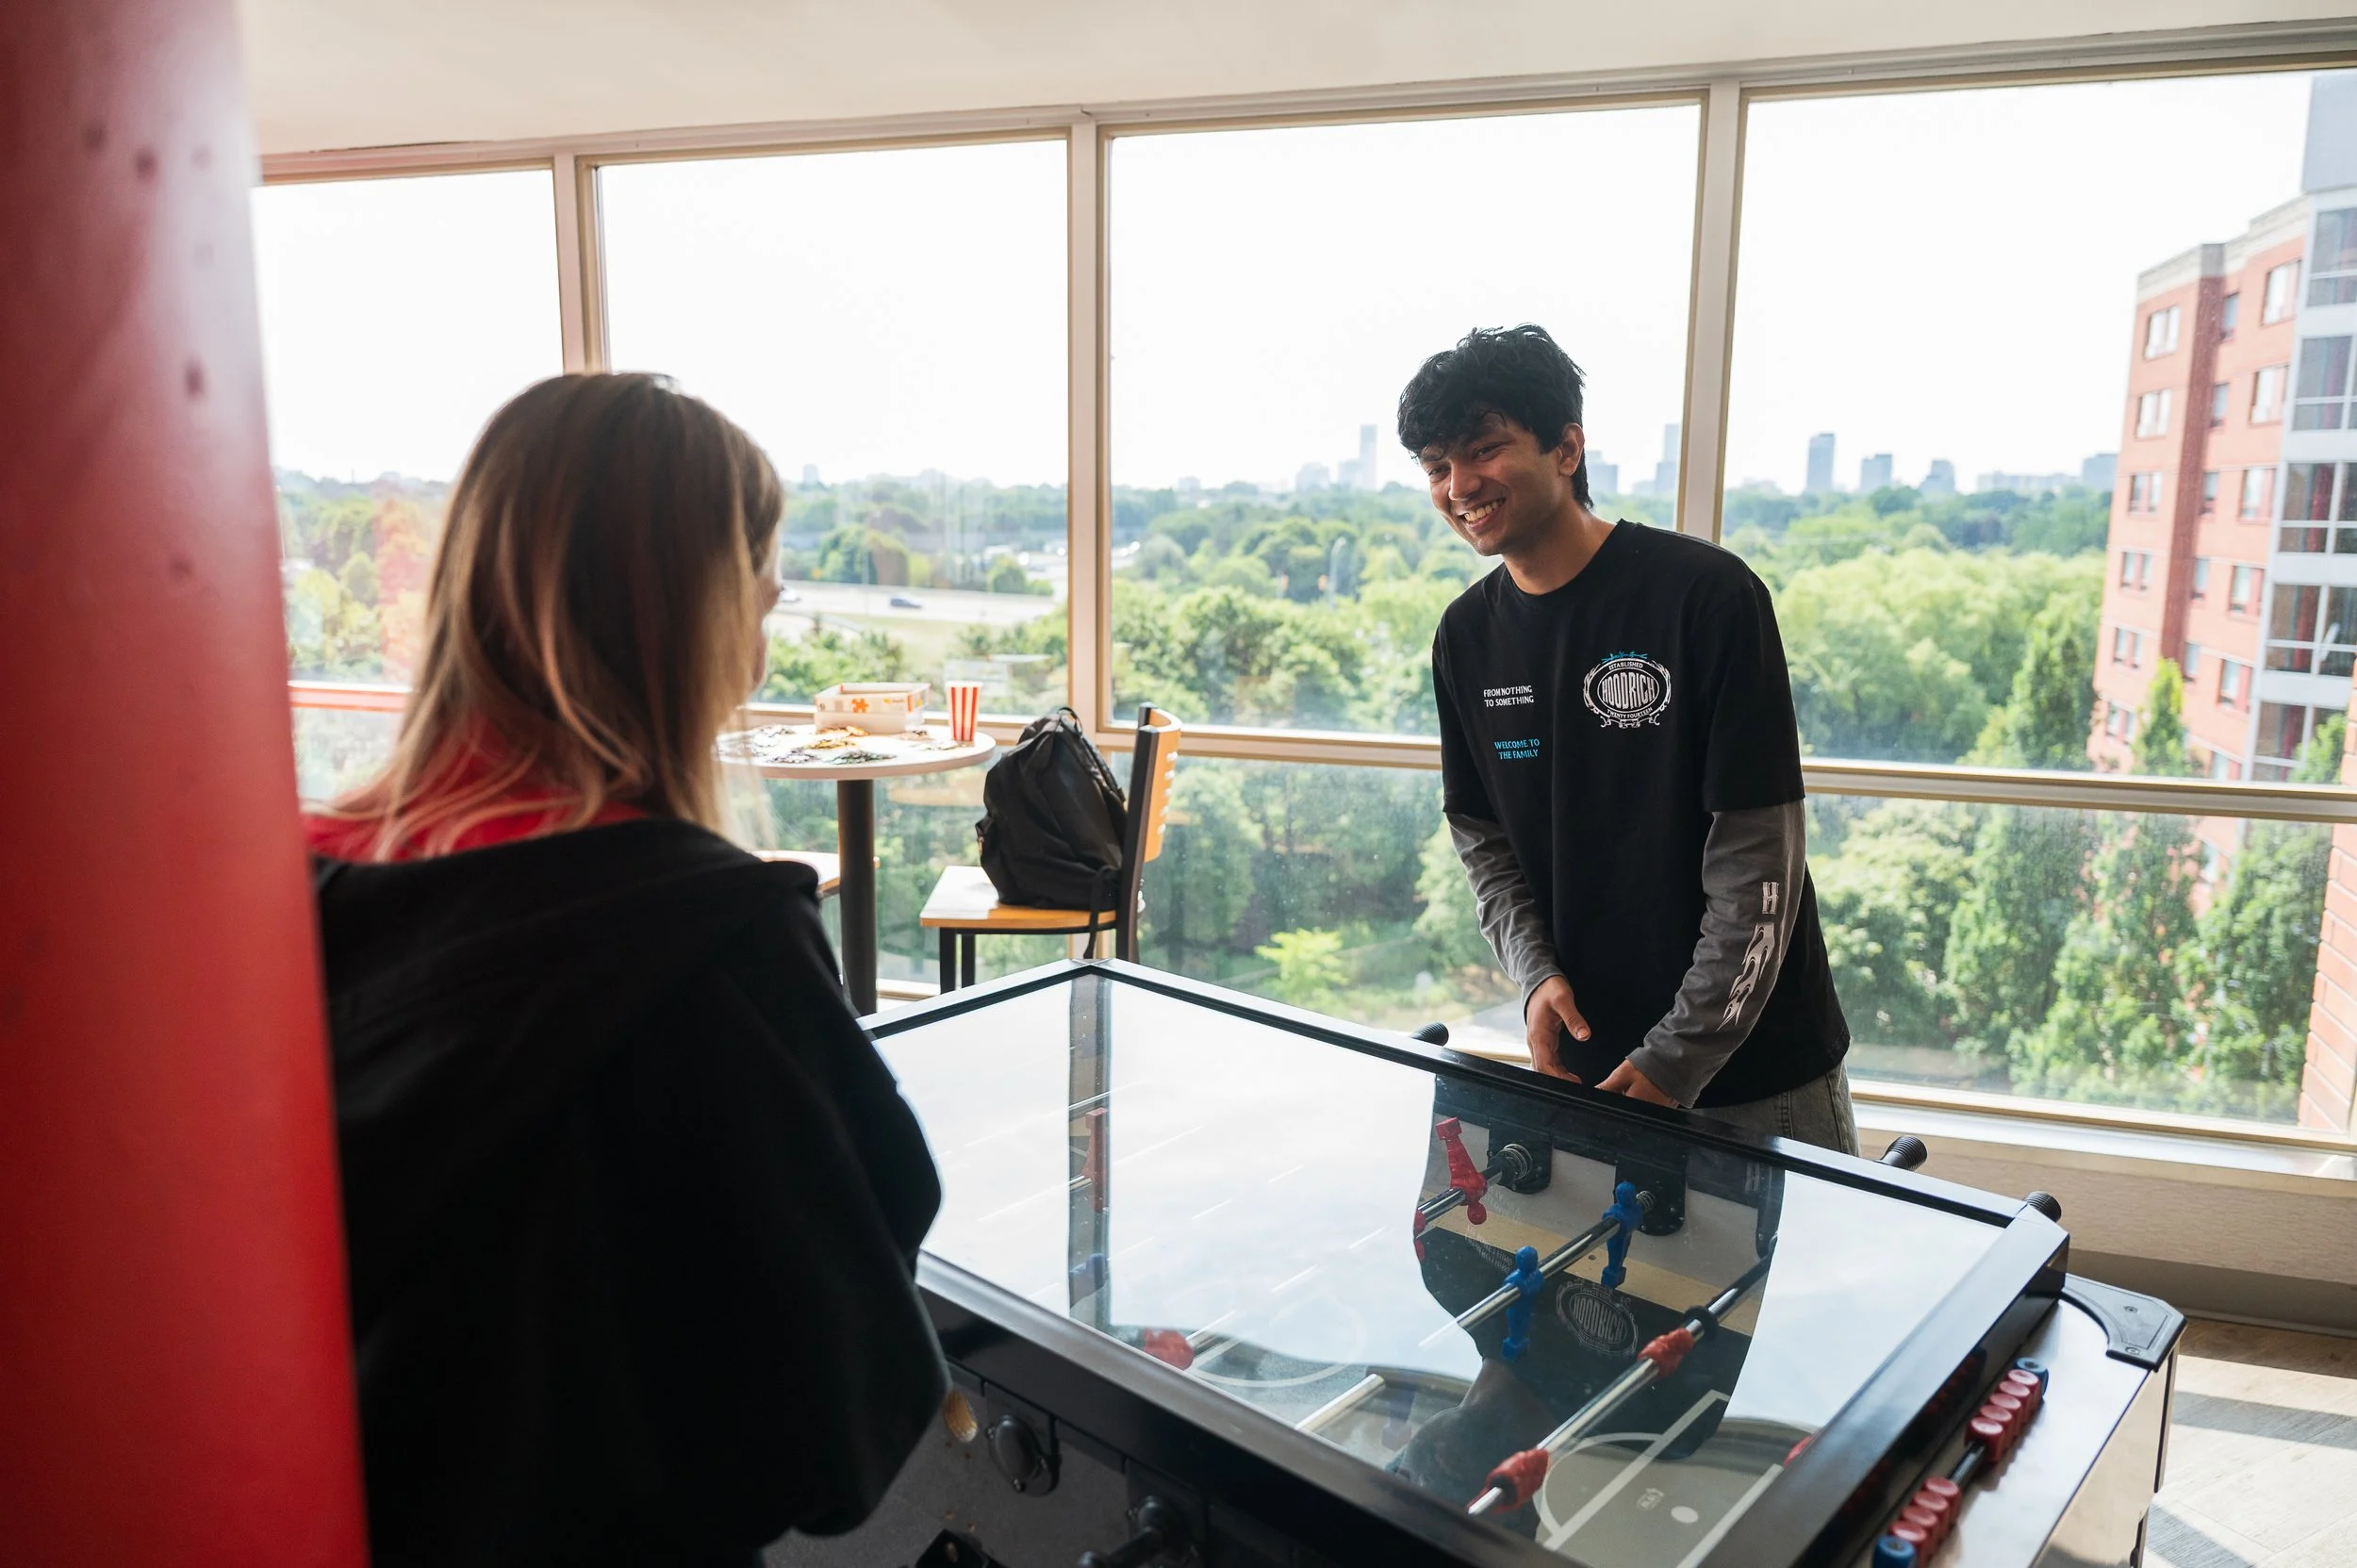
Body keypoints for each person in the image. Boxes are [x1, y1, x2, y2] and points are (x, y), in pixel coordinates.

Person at [306, 373, 947, 1565]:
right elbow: (836, 1418)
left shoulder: (274, 898)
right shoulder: (710, 943)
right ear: (697, 615)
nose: (764, 625)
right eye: (762, 585)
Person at [1405, 326, 1857, 1153]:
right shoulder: (1465, 636)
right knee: (1609, 1284)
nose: (1459, 485)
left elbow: (1759, 862)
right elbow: (1485, 840)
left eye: (1483, 450)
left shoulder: (1708, 598)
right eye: (1436, 465)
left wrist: (1677, 1056)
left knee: (1782, 1290)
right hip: (1592, 1067)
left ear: (1567, 448)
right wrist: (1536, 973)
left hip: (1755, 1078)